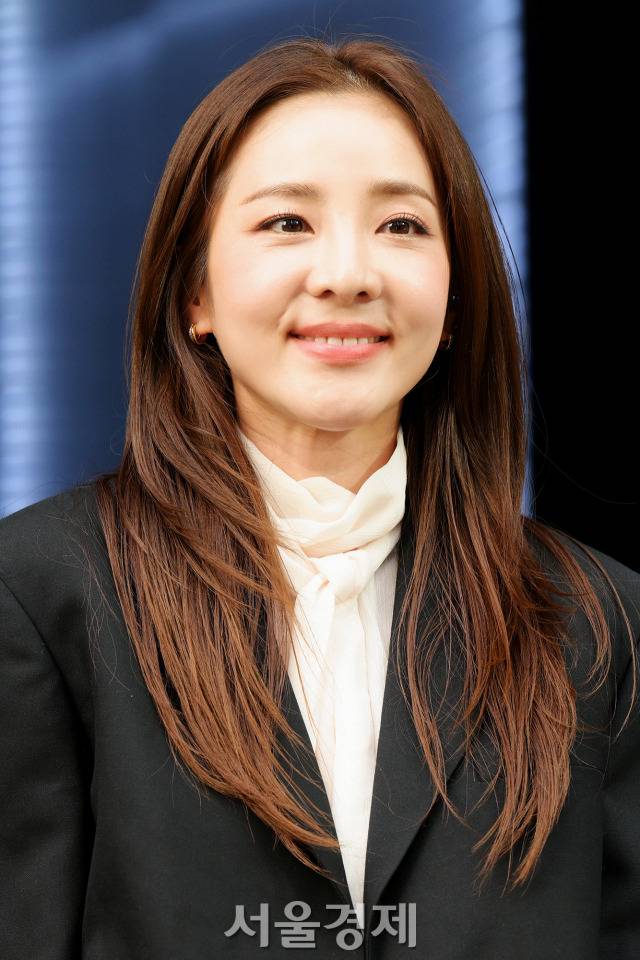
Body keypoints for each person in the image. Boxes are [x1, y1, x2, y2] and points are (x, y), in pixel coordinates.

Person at [1, 35, 638, 960]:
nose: (347, 274)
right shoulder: (40, 592)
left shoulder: (598, 621)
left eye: (402, 226)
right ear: (194, 292)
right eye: (288, 222)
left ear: (455, 299)